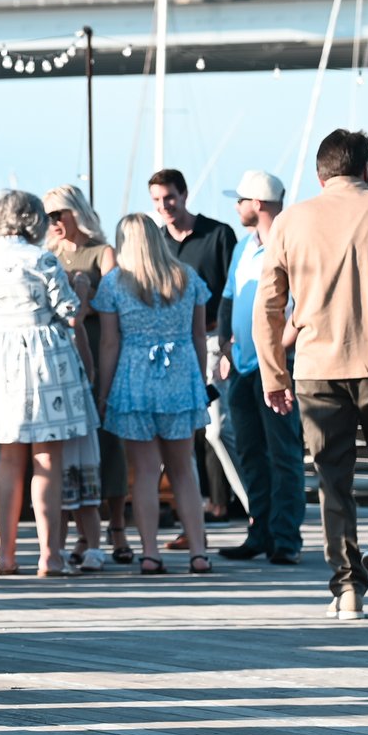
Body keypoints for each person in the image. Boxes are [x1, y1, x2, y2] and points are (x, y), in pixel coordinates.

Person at [254, 129, 368, 622]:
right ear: (366, 169)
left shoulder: (291, 221)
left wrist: (274, 373)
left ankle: (347, 590)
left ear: (321, 175)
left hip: (316, 370)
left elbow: (269, 305)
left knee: (332, 479)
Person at [0, 190, 92, 576]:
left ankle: (6, 553)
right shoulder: (43, 258)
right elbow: (69, 310)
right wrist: (79, 291)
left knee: (9, 460)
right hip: (44, 357)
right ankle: (50, 555)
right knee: (46, 459)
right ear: (32, 220)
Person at [94, 214, 215, 573]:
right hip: (179, 376)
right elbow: (198, 337)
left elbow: (109, 343)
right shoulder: (186, 277)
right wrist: (198, 380)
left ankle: (150, 554)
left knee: (145, 473)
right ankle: (198, 552)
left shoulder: (114, 284)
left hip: (134, 380)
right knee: (184, 469)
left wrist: (104, 392)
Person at [214, 172, 306, 564]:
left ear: (258, 204)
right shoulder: (241, 248)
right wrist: (223, 345)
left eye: (240, 200)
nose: (236, 207)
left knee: (283, 452)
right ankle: (260, 530)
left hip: (279, 364)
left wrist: (278, 349)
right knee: (250, 450)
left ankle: (285, 538)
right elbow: (229, 299)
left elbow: (301, 307)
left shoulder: (291, 246)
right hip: (243, 366)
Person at [148, 168, 239, 522]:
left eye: (169, 197)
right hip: (175, 347)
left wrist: (229, 343)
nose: (164, 206)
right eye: (156, 200)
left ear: (184, 194)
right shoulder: (157, 242)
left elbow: (231, 292)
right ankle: (201, 503)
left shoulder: (218, 235)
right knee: (188, 429)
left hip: (216, 340)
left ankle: (230, 502)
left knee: (218, 427)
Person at [43, 185, 122, 564]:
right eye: (48, 216)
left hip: (95, 343)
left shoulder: (102, 252)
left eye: (59, 213)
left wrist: (82, 299)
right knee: (69, 452)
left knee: (105, 443)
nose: (54, 222)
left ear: (76, 212)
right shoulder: (47, 256)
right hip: (61, 356)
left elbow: (111, 305)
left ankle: (117, 526)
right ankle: (77, 535)